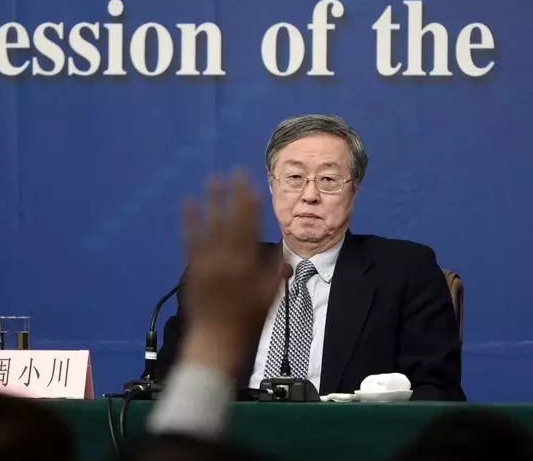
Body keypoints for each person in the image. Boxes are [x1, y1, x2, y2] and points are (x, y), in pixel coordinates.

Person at [156, 114, 465, 401]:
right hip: (231, 440)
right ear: (272, 185)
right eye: (294, 177)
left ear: (355, 190)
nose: (310, 195)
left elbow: (438, 393)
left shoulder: (405, 272)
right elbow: (166, 386)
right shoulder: (230, 273)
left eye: (328, 180)